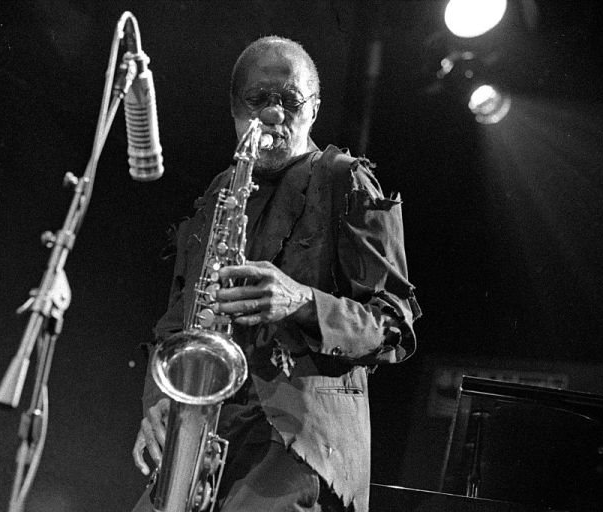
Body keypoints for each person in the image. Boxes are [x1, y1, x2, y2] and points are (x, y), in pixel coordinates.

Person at [132, 35, 420, 512]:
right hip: (209, 427)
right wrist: (158, 406)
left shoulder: (345, 179)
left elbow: (395, 323)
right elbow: (175, 327)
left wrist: (301, 301)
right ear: (234, 107)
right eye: (258, 100)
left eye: (289, 101)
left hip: (301, 441)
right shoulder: (218, 195)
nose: (272, 115)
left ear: (315, 108)